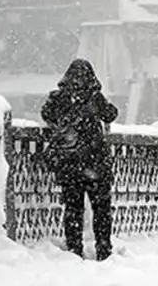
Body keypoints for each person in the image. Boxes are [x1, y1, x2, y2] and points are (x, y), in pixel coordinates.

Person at [41, 59, 119, 261]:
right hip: (95, 163)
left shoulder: (59, 98)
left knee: (73, 209)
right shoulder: (94, 98)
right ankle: (104, 248)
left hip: (70, 164)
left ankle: (74, 249)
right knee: (101, 210)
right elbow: (111, 115)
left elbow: (46, 114)